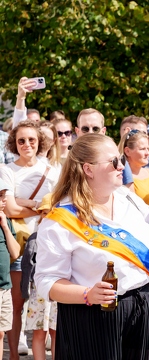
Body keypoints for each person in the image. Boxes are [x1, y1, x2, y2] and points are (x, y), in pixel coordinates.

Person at [33, 133, 149, 360]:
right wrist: (87, 294)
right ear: (88, 170)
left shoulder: (130, 200)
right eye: (114, 162)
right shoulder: (60, 219)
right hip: (92, 314)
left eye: (121, 160)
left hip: (144, 305)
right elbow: (46, 282)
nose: (122, 166)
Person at [0, 121, 60, 360]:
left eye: (31, 140)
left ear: (39, 142)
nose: (26, 144)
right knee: (16, 305)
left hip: (45, 245)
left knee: (44, 306)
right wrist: (39, 207)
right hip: (17, 243)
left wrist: (26, 203)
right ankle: (14, 355)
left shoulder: (52, 171)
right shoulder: (6, 170)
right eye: (21, 140)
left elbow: (56, 206)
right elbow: (11, 209)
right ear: (14, 143)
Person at [21, 194, 56, 360]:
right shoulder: (35, 237)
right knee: (39, 333)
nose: (47, 216)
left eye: (52, 212)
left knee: (57, 333)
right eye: (44, 212)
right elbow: (27, 266)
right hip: (39, 291)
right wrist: (25, 291)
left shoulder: (66, 235)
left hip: (59, 289)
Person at [0, 178, 21, 357]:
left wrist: (6, 227)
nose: (4, 200)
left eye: (4, 196)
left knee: (1, 333)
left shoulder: (5, 220)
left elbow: (15, 253)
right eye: (0, 197)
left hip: (5, 287)